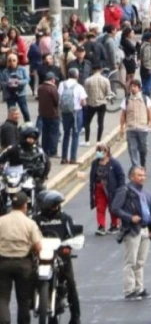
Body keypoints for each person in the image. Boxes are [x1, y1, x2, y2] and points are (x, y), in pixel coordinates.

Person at [32, 190, 81, 324]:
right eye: (53, 205)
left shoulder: (65, 218)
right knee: (26, 279)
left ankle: (76, 316)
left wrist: (68, 247)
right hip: (41, 257)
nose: (55, 207)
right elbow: (30, 237)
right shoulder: (35, 220)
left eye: (56, 205)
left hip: (61, 256)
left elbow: (73, 236)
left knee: (70, 283)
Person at [111, 166, 151, 300]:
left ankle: (139, 288)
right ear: (131, 177)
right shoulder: (124, 190)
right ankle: (129, 290)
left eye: (143, 175)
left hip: (145, 229)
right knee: (131, 261)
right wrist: (130, 218)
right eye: (139, 175)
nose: (142, 178)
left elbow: (149, 212)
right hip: (132, 230)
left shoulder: (146, 193)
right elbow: (115, 208)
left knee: (140, 261)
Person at [0, 193, 42, 324]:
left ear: (11, 205)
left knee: (2, 298)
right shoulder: (29, 223)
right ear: (25, 206)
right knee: (23, 300)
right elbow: (38, 245)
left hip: (3, 263)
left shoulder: (1, 221)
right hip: (24, 264)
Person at [89, 144, 124, 236]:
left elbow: (121, 176)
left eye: (101, 151)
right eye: (98, 151)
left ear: (107, 152)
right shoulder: (95, 163)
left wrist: (121, 189)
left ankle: (115, 225)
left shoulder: (114, 163)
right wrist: (92, 190)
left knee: (113, 207)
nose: (99, 153)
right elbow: (92, 177)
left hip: (111, 189)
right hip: (99, 189)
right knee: (100, 207)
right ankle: (101, 226)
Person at [0, 125, 50, 191]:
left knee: (42, 190)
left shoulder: (38, 150)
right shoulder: (13, 148)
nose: (31, 140)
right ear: (23, 137)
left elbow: (47, 163)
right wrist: (2, 173)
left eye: (33, 138)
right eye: (29, 137)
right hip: (14, 179)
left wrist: (43, 177)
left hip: (31, 179)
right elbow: (1, 159)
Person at [119, 80, 151, 169]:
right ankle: (135, 167)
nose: (133, 88)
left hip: (142, 128)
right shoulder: (126, 100)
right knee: (132, 148)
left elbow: (149, 112)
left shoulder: (145, 99)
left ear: (139, 88)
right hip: (130, 128)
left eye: (135, 86)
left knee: (143, 149)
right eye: (131, 86)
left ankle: (143, 164)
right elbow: (123, 114)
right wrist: (122, 127)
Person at [58, 68, 88, 165]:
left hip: (65, 112)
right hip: (76, 112)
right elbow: (83, 102)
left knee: (66, 134)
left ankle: (63, 158)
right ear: (77, 76)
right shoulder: (79, 87)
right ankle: (73, 158)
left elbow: (59, 97)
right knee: (75, 135)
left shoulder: (62, 85)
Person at [83, 63, 111, 147]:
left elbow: (86, 93)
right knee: (100, 122)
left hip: (91, 103)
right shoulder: (105, 80)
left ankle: (87, 140)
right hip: (102, 103)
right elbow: (108, 93)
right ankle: (98, 141)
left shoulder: (88, 80)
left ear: (92, 70)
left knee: (87, 122)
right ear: (101, 70)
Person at [0, 54, 30, 122]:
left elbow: (27, 79)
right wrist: (9, 83)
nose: (12, 62)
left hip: (20, 93)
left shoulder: (22, 69)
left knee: (25, 111)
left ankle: (28, 125)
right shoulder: (5, 71)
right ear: (7, 62)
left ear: (17, 61)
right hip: (10, 94)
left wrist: (19, 82)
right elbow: (2, 82)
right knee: (11, 112)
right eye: (9, 60)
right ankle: (12, 127)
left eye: (14, 60)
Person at [37, 72, 60, 157]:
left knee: (45, 133)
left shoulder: (40, 87)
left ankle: (45, 150)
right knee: (54, 133)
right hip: (53, 114)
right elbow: (56, 101)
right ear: (52, 79)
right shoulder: (52, 88)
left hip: (43, 113)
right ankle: (53, 151)